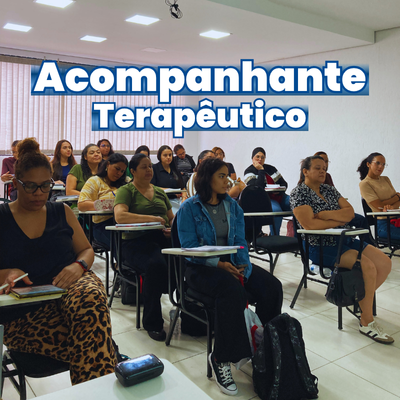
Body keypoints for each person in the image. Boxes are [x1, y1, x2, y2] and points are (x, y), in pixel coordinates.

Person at [0, 138, 117, 385]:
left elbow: (86, 250)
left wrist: (78, 265)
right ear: (16, 183)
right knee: (97, 343)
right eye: (31, 186)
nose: (39, 193)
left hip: (70, 290)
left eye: (45, 185)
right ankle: (109, 366)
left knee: (91, 299)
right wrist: (5, 273)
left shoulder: (60, 211)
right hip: (23, 312)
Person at [177, 158, 283, 396]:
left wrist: (243, 265)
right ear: (207, 179)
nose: (228, 181)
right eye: (222, 176)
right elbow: (189, 248)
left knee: (272, 286)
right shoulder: (189, 208)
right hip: (200, 268)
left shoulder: (233, 206)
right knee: (231, 291)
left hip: (232, 263)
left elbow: (241, 242)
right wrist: (218, 264)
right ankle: (221, 358)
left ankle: (264, 350)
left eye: (228, 176)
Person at [290, 155, 393, 344]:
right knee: (368, 266)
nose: (323, 171)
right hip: (319, 246)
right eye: (318, 168)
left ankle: (359, 301)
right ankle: (366, 321)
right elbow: (309, 225)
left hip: (344, 238)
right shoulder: (299, 193)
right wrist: (338, 219)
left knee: (385, 263)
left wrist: (325, 215)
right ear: (305, 171)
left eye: (324, 168)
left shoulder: (328, 189)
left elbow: (350, 213)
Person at [114, 153, 174, 342]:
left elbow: (171, 218)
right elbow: (120, 216)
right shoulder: (126, 191)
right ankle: (152, 322)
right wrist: (152, 219)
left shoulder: (159, 192)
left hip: (161, 238)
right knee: (155, 266)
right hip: (135, 241)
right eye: (144, 167)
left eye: (150, 166)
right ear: (133, 171)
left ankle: (189, 314)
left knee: (186, 261)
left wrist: (172, 229)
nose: (149, 170)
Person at [314, 151, 373, 245]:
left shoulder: (327, 176)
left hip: (336, 210)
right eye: (322, 161)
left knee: (361, 220)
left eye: (326, 161)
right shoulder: (308, 183)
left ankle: (368, 245)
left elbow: (335, 194)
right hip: (325, 213)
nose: (325, 164)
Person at [78, 153, 128, 248]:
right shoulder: (95, 181)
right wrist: (107, 205)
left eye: (122, 171)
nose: (119, 173)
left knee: (136, 240)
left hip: (123, 222)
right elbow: (81, 204)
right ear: (108, 164)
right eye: (117, 169)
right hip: (102, 225)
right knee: (122, 245)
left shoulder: (126, 182)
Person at [244, 147, 291, 235]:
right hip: (265, 199)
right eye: (257, 156)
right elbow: (257, 188)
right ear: (252, 158)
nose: (260, 159)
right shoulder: (249, 171)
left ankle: (297, 237)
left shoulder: (271, 168)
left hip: (280, 196)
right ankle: (274, 236)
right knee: (276, 211)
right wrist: (261, 170)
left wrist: (279, 191)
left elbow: (284, 183)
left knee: (298, 205)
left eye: (262, 157)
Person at [358, 152, 400, 241]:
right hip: (384, 225)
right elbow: (379, 205)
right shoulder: (365, 184)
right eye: (377, 163)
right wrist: (397, 197)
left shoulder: (386, 179)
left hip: (397, 220)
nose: (381, 166)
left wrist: (392, 207)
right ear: (368, 164)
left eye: (383, 164)